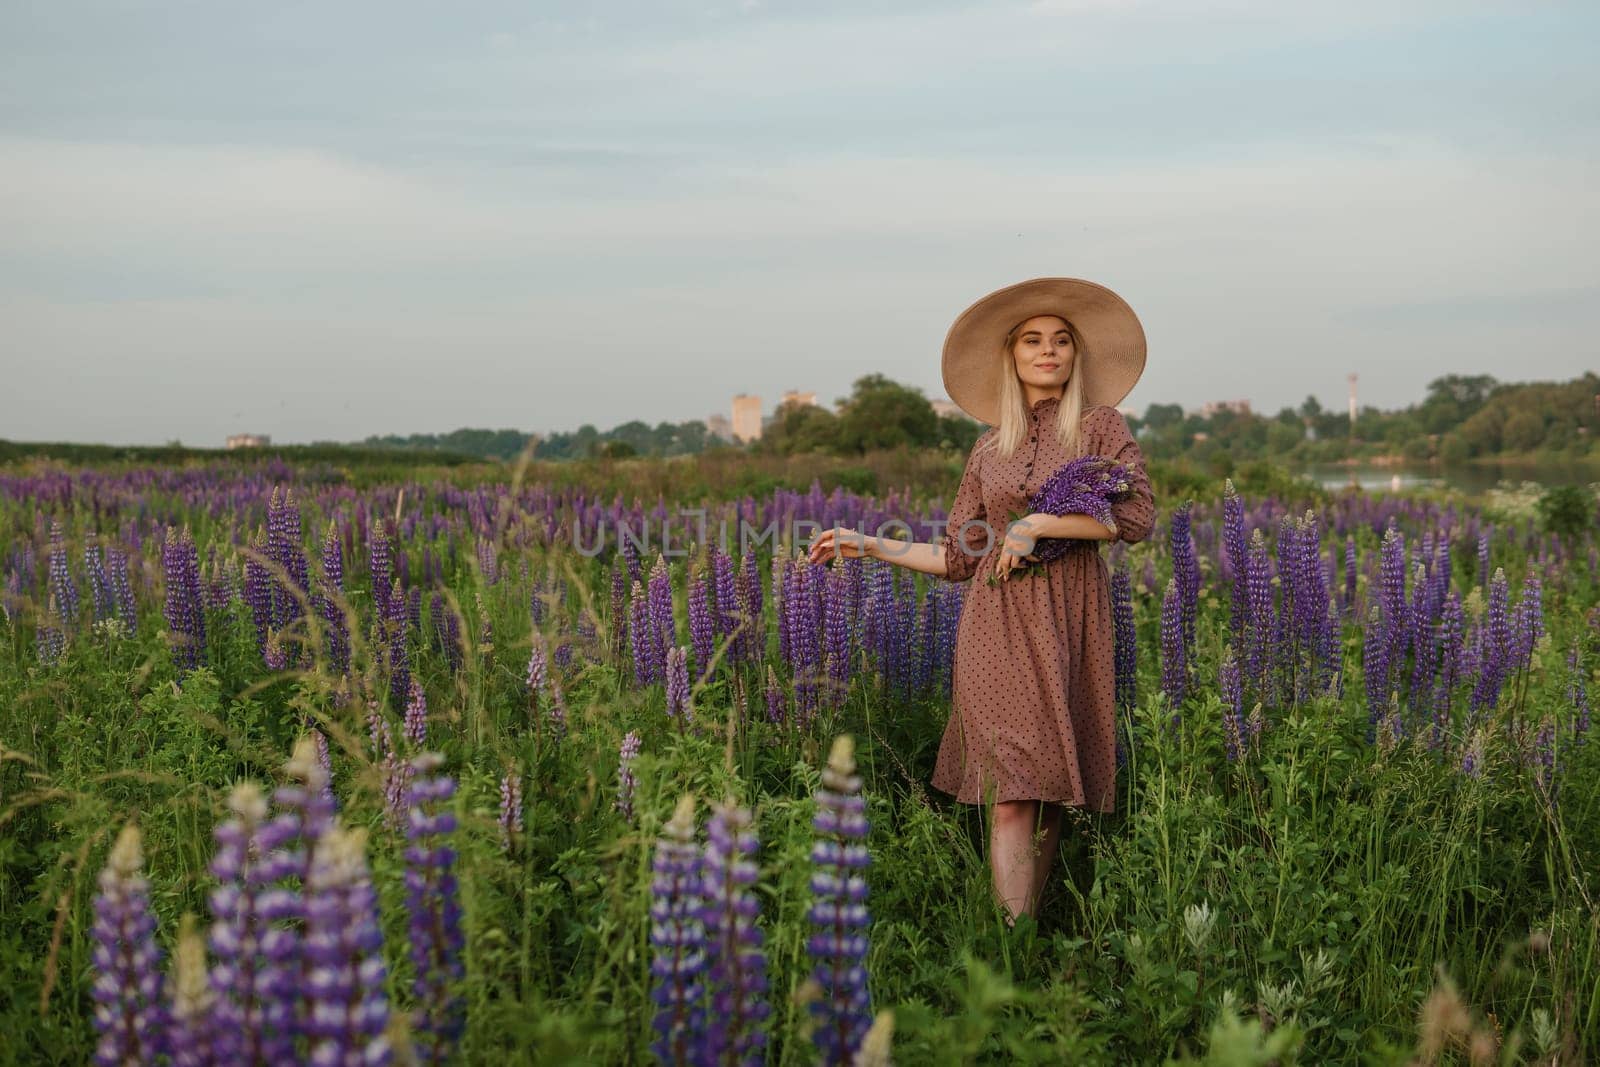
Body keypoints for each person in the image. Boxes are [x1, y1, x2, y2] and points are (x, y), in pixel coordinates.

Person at [807, 277, 1155, 925]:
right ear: (1012, 355)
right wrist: (869, 544)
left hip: (1070, 619)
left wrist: (1038, 524)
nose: (1047, 351)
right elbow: (959, 557)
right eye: (1032, 340)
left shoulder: (1100, 426)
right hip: (995, 627)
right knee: (1012, 796)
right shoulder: (988, 445)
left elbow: (1134, 518)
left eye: (1060, 341)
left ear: (1075, 355)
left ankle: (1022, 935)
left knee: (1047, 793)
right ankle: (1011, 937)